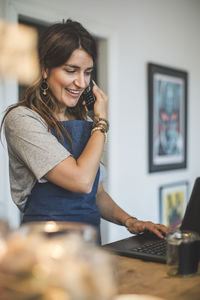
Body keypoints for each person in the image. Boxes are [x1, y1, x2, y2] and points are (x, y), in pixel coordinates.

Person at [1, 19, 168, 243]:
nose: (81, 82)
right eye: (71, 70)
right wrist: (101, 121)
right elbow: (81, 181)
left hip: (89, 245)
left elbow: (95, 192)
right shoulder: (23, 119)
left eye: (88, 73)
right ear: (44, 69)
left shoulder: (85, 121)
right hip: (44, 250)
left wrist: (130, 221)